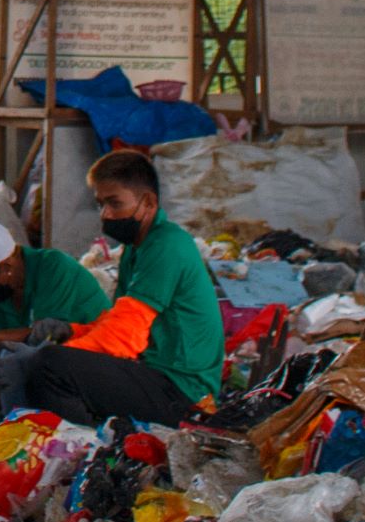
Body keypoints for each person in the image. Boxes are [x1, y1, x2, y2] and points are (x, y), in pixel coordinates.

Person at [22, 149, 224, 429]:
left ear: (148, 202)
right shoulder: (136, 248)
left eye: (115, 203)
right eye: (100, 204)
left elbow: (124, 337)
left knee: (48, 366)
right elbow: (117, 320)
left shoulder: (166, 246)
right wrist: (72, 331)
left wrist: (52, 356)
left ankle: (85, 452)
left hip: (183, 392)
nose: (105, 214)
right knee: (50, 359)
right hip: (156, 375)